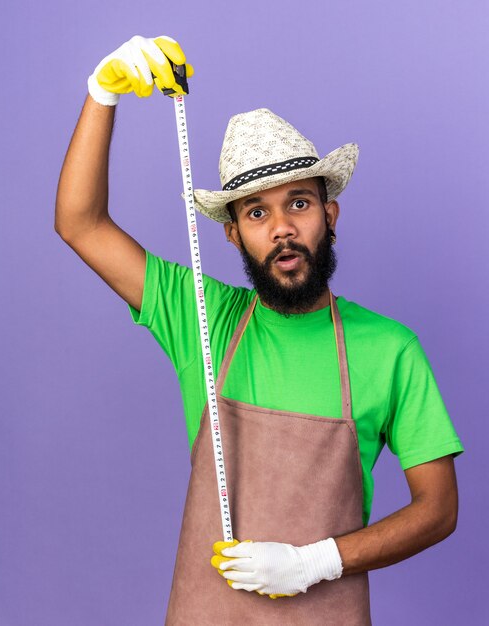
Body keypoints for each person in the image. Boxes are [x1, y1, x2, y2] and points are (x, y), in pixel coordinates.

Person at [55, 35, 464, 625]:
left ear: (330, 213)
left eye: (299, 203)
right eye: (255, 212)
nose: (281, 229)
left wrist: (316, 562)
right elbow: (80, 222)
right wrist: (101, 94)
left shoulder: (389, 349)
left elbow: (439, 509)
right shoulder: (202, 317)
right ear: (232, 234)